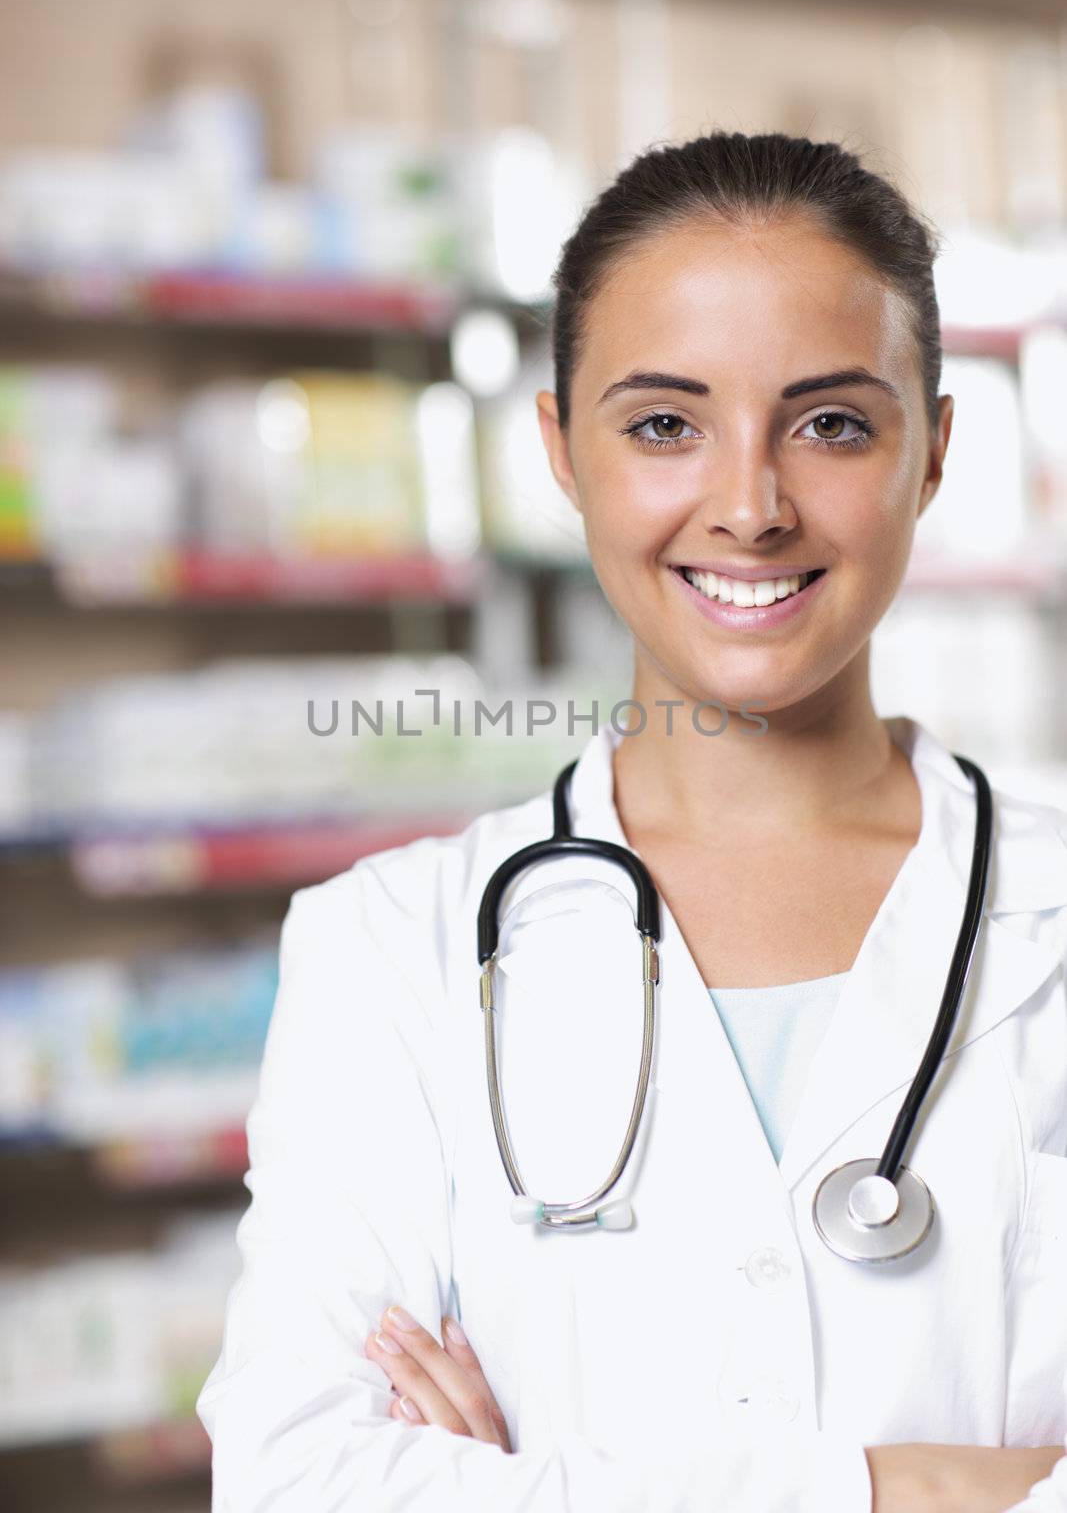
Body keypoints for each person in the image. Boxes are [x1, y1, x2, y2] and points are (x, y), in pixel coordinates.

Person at [196, 131, 1067, 1513]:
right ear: (561, 451)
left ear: (935, 451)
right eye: (664, 423)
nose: (750, 506)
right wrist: (936, 1486)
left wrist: (533, 1488)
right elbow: (300, 1482)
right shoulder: (390, 948)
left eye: (832, 422)